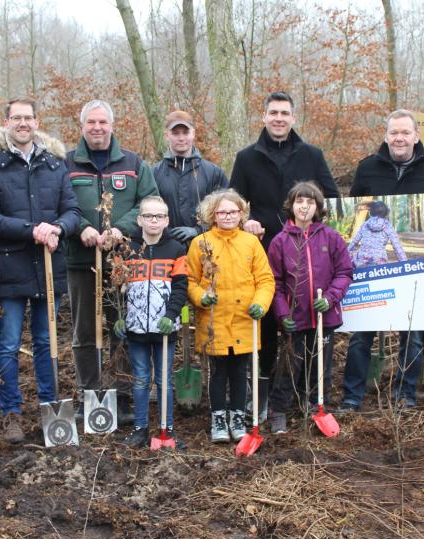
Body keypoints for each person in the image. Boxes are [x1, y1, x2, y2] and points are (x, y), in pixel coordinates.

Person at [0, 97, 81, 443]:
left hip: (50, 267)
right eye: (16, 118)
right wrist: (31, 229)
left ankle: (50, 408)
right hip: (11, 268)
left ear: (37, 122)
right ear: (6, 122)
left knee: (46, 340)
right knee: (7, 344)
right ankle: (11, 413)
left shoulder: (55, 164)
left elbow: (72, 210)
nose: (22, 123)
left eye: (28, 118)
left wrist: (59, 229)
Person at [230, 91, 338, 420]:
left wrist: (315, 227)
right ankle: (265, 393)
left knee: (306, 328)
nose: (279, 118)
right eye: (273, 112)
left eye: (285, 113)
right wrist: (244, 218)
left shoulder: (312, 155)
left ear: (293, 118)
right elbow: (233, 201)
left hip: (306, 258)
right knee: (266, 325)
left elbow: (331, 198)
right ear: (263, 117)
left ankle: (306, 394)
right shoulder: (247, 157)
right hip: (262, 254)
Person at [340, 109, 424, 411]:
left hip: (410, 275)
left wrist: (409, 263)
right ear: (386, 135)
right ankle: (352, 397)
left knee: (412, 336)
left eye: (405, 133)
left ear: (416, 136)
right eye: (394, 133)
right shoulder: (367, 169)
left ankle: (405, 395)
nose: (399, 138)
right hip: (368, 275)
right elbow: (354, 219)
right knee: (361, 336)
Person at [65, 99, 158, 424]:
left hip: (124, 262)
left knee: (123, 327)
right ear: (82, 126)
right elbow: (59, 206)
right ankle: (89, 394)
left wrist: (122, 228)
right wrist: (81, 228)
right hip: (81, 262)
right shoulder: (67, 164)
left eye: (103, 122)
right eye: (91, 122)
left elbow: (150, 203)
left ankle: (122, 394)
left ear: (112, 125)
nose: (97, 128)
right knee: (85, 332)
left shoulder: (133, 163)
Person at [266, 182, 354, 433]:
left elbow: (345, 272)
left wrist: (330, 298)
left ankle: (315, 406)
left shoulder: (330, 237)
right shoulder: (280, 241)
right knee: (289, 364)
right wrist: (283, 314)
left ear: (318, 208)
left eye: (310, 202)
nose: (304, 207)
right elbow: (276, 282)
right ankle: (279, 410)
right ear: (291, 206)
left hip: (324, 317)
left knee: (321, 366)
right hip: (295, 317)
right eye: (299, 202)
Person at [186, 190, 274, 443]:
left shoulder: (251, 242)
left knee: (239, 372)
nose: (228, 216)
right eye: (222, 212)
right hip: (214, 320)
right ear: (213, 214)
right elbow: (190, 280)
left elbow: (265, 280)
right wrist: (201, 297)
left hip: (244, 319)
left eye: (233, 212)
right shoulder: (200, 243)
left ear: (241, 214)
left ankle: (237, 418)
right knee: (217, 372)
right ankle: (218, 418)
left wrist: (260, 304)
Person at [112, 196, 188, 447]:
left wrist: (171, 315)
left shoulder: (176, 250)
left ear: (166, 220)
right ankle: (140, 428)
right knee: (141, 378)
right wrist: (120, 317)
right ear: (139, 219)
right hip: (136, 330)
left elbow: (180, 288)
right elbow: (116, 287)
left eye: (159, 216)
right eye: (148, 216)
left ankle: (167, 428)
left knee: (164, 379)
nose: (153, 220)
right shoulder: (126, 249)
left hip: (164, 329)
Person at [152, 110, 229, 246]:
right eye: (175, 133)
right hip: (165, 249)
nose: (181, 138)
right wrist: (165, 233)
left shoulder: (213, 172)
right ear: (166, 135)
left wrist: (198, 230)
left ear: (193, 133)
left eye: (185, 133)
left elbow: (226, 210)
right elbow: (145, 211)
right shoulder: (153, 173)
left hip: (206, 248)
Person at [346, 201, 406, 268]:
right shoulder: (388, 225)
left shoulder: (365, 224)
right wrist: (404, 263)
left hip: (361, 259)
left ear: (370, 213)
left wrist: (346, 255)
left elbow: (354, 242)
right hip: (379, 260)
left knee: (356, 259)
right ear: (386, 213)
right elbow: (397, 246)